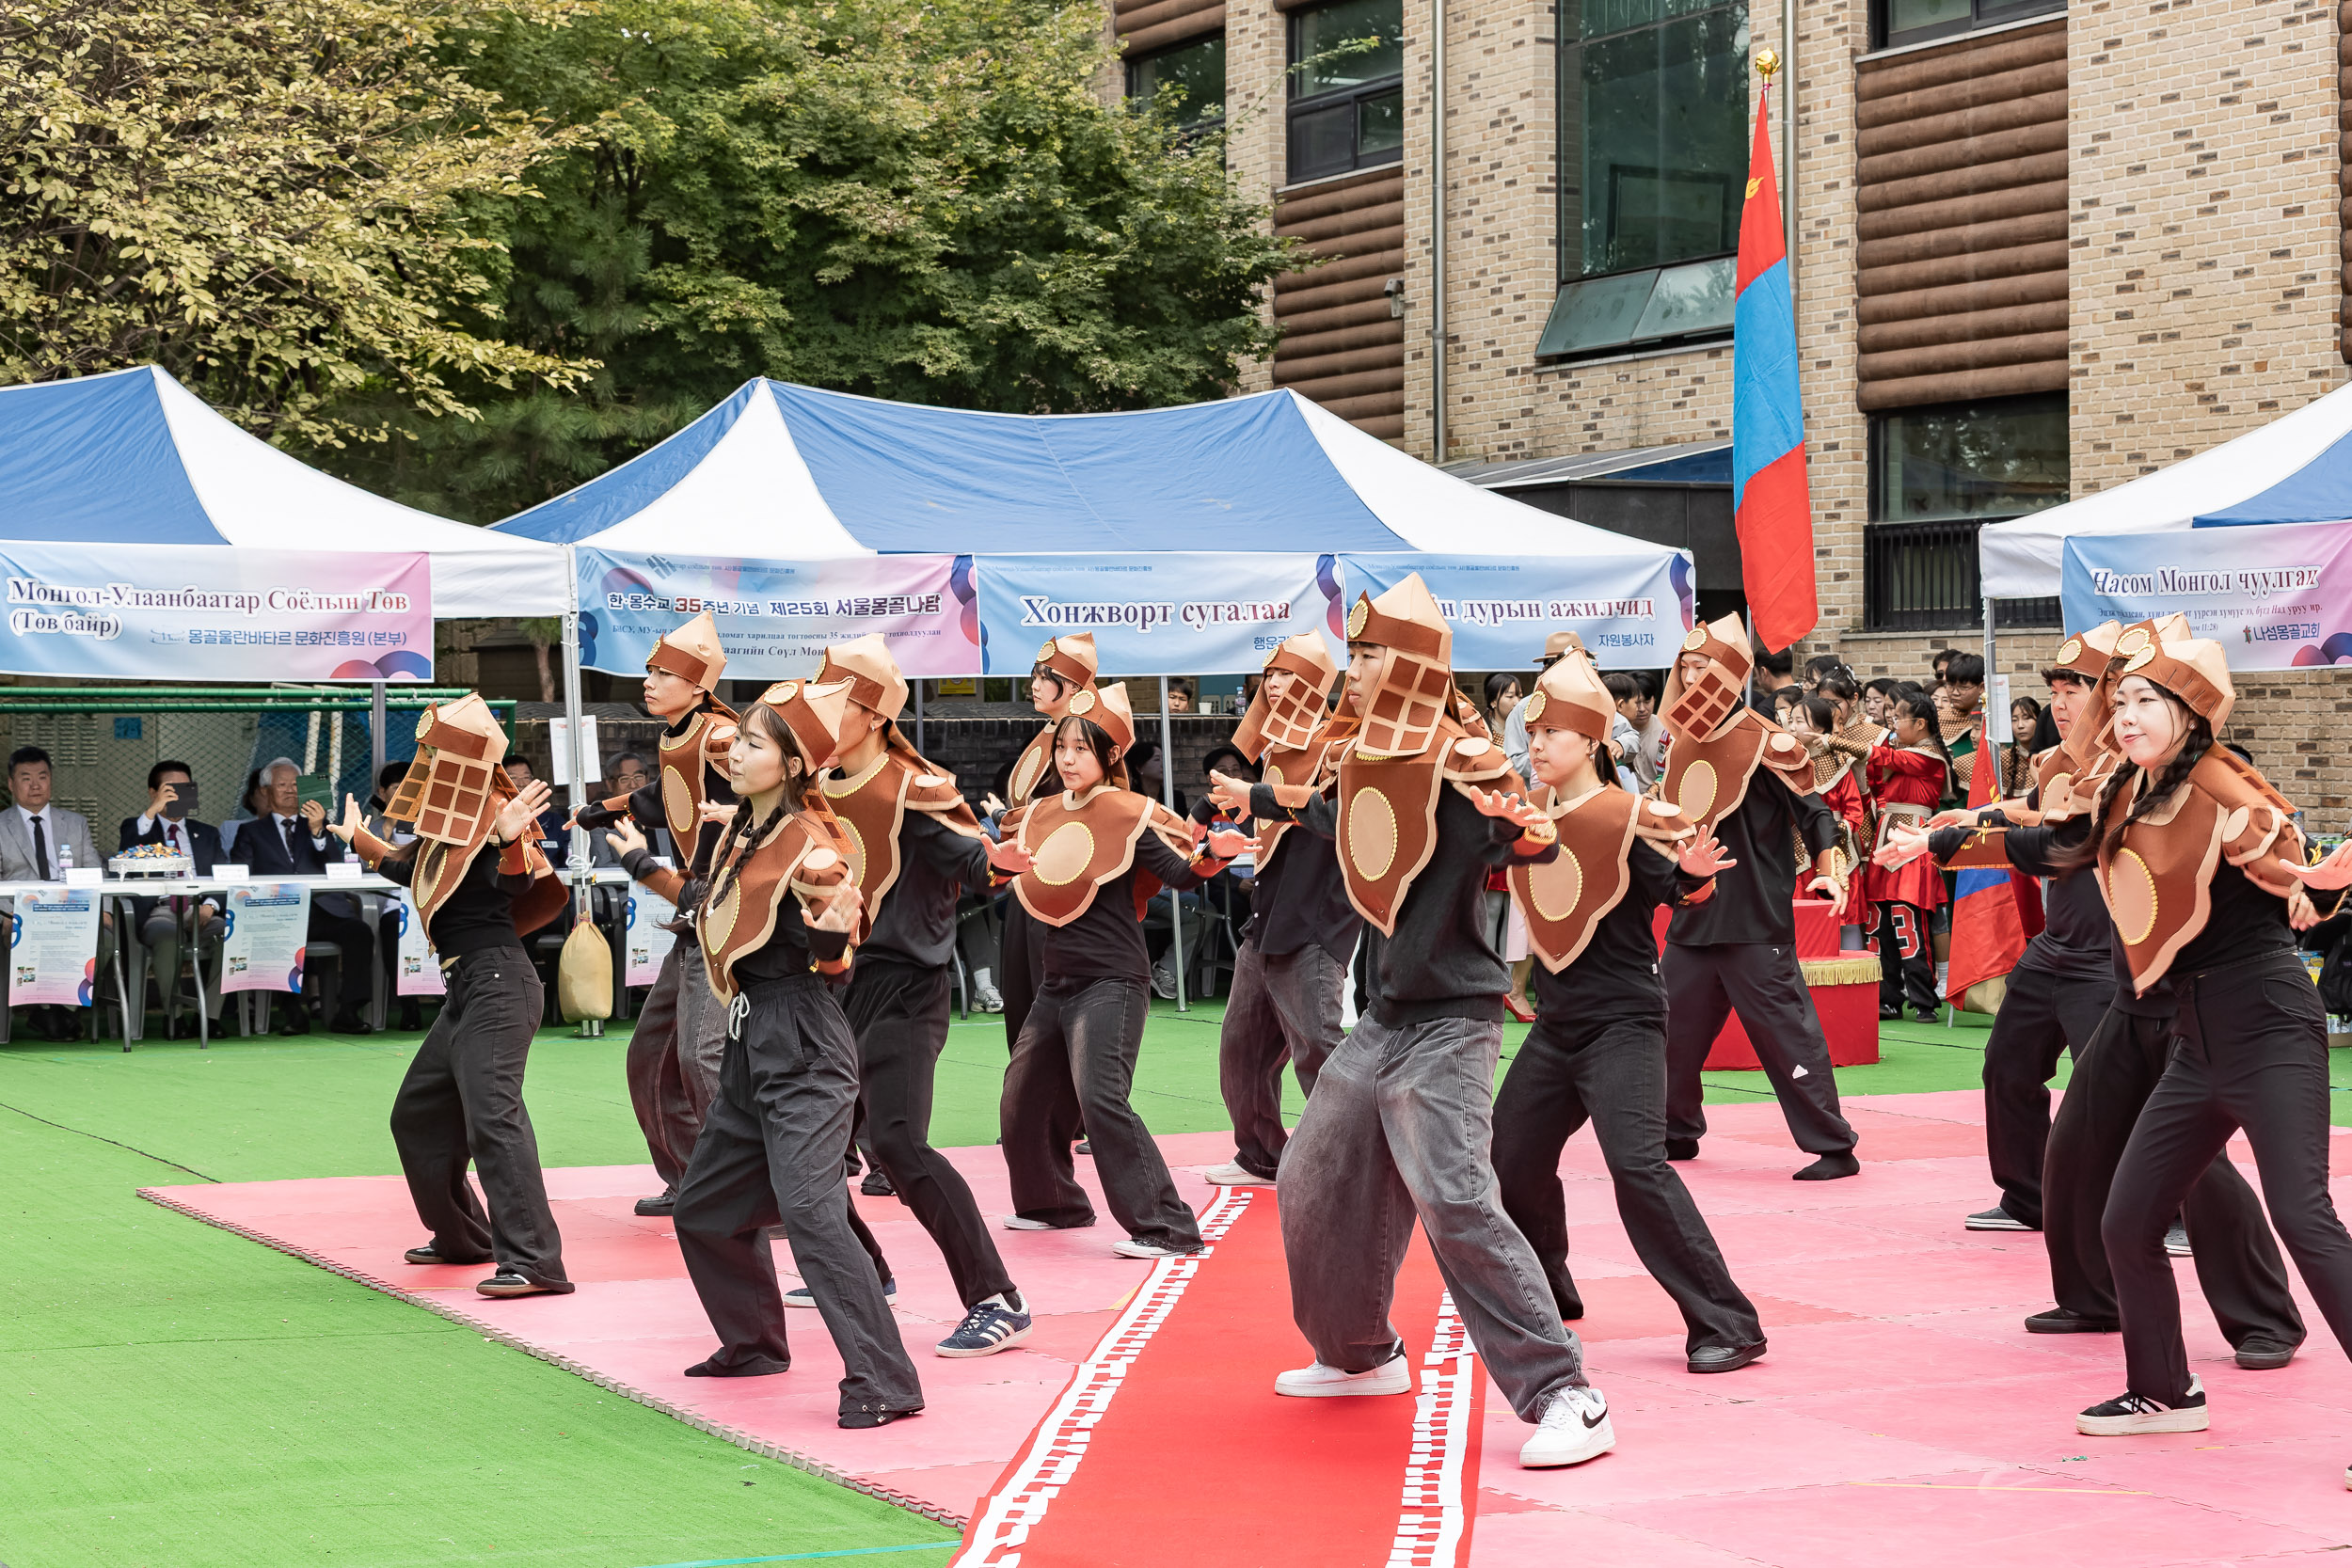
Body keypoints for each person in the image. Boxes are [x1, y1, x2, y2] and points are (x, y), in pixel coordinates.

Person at [1257, 575, 1609, 1470]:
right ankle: (1360, 1353)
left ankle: (1567, 1391)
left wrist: (1521, 832)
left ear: (1411, 662)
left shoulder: (1467, 759)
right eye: (1359, 649)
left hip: (1456, 1015)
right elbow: (1349, 829)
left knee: (1455, 1196)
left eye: (1372, 652)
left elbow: (1533, 836)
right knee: (1311, 1174)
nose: (1357, 665)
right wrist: (1254, 817)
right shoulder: (1363, 751)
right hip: (1384, 1014)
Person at [2039, 628, 2352, 1447]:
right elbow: (2055, 843)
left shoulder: (2219, 779)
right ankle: (2164, 1390)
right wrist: (1937, 840)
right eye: (2126, 699)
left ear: (2190, 713)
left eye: (2149, 700)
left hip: (2270, 1025)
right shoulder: (2130, 790)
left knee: (2303, 1214)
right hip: (2195, 1039)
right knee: (2127, 1219)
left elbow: (2284, 855)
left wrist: (2315, 888)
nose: (2129, 713)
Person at [657, 678, 925, 1428]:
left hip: (802, 1040)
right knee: (705, 1207)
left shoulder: (814, 840)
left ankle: (887, 1378)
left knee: (811, 1212)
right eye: (735, 738)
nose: (731, 750)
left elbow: (836, 934)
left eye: (749, 743)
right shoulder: (747, 826)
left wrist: (835, 936)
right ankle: (754, 1344)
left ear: (792, 762)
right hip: (751, 1039)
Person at [1489, 650, 1766, 1374]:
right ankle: (1547, 1289)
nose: (1537, 743)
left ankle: (1728, 1322)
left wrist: (1694, 879)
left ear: (1590, 742)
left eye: (1552, 732)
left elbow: (1675, 890)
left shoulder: (1630, 817)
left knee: (1638, 1168)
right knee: (1510, 1157)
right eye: (1533, 730)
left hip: (1624, 1023)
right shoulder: (1531, 815)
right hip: (1556, 1024)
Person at [803, 634, 1039, 1356]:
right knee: (805, 1140)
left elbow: (971, 860)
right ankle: (867, 1269)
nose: (817, 714)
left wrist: (996, 861)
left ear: (872, 714)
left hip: (908, 987)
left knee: (899, 1145)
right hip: (839, 985)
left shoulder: (915, 788)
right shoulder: (816, 787)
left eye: (834, 701)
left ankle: (997, 1298)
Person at [1881, 628, 2126, 1233]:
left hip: (2115, 955)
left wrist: (1947, 839)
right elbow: (2030, 807)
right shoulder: (2059, 761)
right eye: (2058, 690)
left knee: (2124, 1090)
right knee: (2007, 1067)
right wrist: (1973, 813)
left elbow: (2056, 841)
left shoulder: (2134, 766)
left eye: (2078, 689)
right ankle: (2027, 1197)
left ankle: (2169, 1212)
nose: (2062, 703)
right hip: (2057, 947)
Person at [328, 694, 574, 1298]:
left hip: (497, 984)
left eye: (433, 749)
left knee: (494, 1117)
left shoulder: (493, 814)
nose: (424, 759)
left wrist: (507, 838)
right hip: (470, 987)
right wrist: (358, 837)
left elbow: (514, 880)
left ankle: (536, 1261)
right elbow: (414, 871)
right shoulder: (451, 822)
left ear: (461, 756)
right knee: (417, 1115)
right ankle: (466, 1236)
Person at [996, 683, 1245, 1257]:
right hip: (1058, 981)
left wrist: (1215, 857)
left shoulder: (1129, 814)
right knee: (1022, 1094)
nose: (1067, 759)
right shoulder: (1042, 814)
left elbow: (1182, 873)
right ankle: (1052, 1203)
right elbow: (1003, 866)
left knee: (1103, 1098)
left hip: (1112, 982)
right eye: (1062, 748)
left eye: (1081, 749)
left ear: (1108, 758)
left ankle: (1168, 1227)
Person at [1655, 613, 1861, 1179]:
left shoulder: (1770, 742)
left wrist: (1828, 868)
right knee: (1670, 1031)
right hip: (1694, 917)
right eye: (1686, 667)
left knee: (1786, 1037)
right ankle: (1674, 1132)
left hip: (1755, 916)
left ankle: (1833, 1146)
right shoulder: (1680, 746)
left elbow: (1817, 812)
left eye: (1703, 667)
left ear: (1729, 673)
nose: (1691, 677)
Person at [569, 611, 739, 1217]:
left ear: (697, 686)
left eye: (664, 673)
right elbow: (663, 796)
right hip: (691, 913)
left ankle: (750, 1193)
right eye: (649, 670)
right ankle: (691, 1177)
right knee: (652, 1053)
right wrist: (603, 808)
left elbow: (774, 785)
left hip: (725, 910)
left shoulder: (721, 736)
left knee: (702, 1056)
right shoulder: (677, 736)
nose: (649, 680)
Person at [1200, 634, 1359, 1187]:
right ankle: (1260, 1156)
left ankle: (1349, 1166)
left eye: (1288, 676)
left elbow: (1331, 817)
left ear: (1315, 684)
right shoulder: (1275, 750)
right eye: (1270, 675)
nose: (1274, 685)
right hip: (1267, 917)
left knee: (1317, 1049)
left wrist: (1257, 797)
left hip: (1317, 917)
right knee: (1241, 1050)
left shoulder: (1340, 748)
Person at [994, 633, 1104, 1068]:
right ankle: (1029, 1111)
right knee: (1022, 996)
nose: (1034, 685)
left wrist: (1018, 820)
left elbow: (1098, 809)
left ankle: (1068, 1114)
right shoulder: (1046, 734)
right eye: (1035, 676)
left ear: (1074, 689)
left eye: (1046, 677)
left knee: (1055, 998)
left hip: (1065, 885)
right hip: (1027, 880)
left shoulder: (1090, 739)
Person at [239, 756, 374, 1035]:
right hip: (277, 911)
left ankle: (349, 1010)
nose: (290, 790)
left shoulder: (321, 824)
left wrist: (317, 831)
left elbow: (336, 866)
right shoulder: (250, 831)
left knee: (359, 931)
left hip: (323, 910)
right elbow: (241, 873)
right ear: (265, 791)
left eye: (295, 784)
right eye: (282, 784)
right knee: (276, 934)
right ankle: (292, 1012)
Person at [1, 746, 111, 1040]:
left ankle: (59, 1012)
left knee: (106, 937)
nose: (35, 785)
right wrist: (5, 915)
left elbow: (95, 871)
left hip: (74, 913)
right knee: (27, 935)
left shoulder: (75, 824)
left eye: (42, 777)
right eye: (26, 778)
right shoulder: (1, 826)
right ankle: (52, 1013)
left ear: (51, 780)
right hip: (21, 914)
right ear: (11, 784)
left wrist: (107, 909)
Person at [1864, 690, 1954, 1022]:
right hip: (1887, 838)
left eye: (1897, 716)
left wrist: (1836, 740)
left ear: (1919, 723)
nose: (1892, 722)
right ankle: (1887, 997)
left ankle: (1923, 998)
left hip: (1914, 843)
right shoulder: (1902, 754)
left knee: (1909, 921)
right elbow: (1877, 774)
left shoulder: (1930, 758)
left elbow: (1883, 758)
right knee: (1880, 924)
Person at [118, 761, 226, 1037]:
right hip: (160, 911)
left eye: (185, 787)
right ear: (153, 792)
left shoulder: (208, 833)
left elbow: (224, 875)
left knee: (232, 935)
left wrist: (209, 906)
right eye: (170, 789)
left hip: (199, 908)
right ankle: (173, 1016)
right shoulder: (139, 828)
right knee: (167, 939)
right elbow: (128, 847)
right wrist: (153, 811)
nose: (179, 795)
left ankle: (209, 1017)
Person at [1786, 697, 1870, 950]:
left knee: (1844, 917)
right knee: (1802, 918)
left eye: (1799, 721)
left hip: (1838, 850)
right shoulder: (1785, 764)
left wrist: (1834, 834)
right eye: (1790, 721)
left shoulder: (1840, 762)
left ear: (1821, 728)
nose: (1792, 727)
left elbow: (1855, 812)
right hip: (1797, 851)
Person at [1502, 631, 1585, 782]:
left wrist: (1619, 744)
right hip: (1542, 797)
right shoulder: (1525, 708)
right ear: (1548, 669)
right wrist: (1557, 761)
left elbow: (1627, 735)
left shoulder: (1592, 702)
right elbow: (1514, 760)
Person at [1483, 672, 1523, 738]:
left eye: (1520, 697)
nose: (1517, 702)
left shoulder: (1526, 731)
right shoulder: (1483, 733)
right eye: (1510, 696)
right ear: (1493, 702)